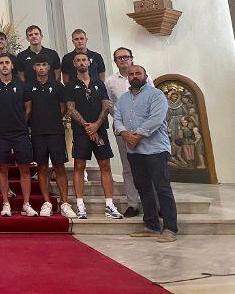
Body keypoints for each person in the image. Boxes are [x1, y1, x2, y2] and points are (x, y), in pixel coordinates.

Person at [114, 65, 177, 242]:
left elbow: (156, 118)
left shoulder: (156, 95)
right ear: (127, 78)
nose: (134, 76)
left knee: (162, 188)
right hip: (134, 151)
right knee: (144, 189)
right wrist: (125, 134)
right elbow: (117, 119)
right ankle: (151, 226)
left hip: (155, 149)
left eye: (138, 73)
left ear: (145, 76)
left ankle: (170, 229)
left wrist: (139, 134)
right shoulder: (123, 99)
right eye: (131, 74)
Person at [65, 53, 122, 219]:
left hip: (100, 130)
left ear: (89, 63)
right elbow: (70, 108)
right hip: (81, 132)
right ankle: (80, 205)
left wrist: (96, 125)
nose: (82, 63)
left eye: (84, 60)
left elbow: (106, 106)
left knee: (105, 165)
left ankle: (110, 204)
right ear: (74, 64)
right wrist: (87, 127)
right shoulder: (70, 85)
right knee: (79, 166)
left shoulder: (99, 83)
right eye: (78, 61)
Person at [24, 55, 77, 218]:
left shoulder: (58, 86)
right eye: (38, 65)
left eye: (44, 65)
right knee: (41, 167)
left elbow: (63, 108)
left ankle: (65, 203)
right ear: (34, 67)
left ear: (48, 67)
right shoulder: (29, 87)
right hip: (38, 132)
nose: (41, 68)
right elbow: (28, 109)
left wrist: (52, 121)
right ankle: (47, 202)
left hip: (56, 132)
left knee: (59, 166)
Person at [105, 46, 153, 218]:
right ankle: (133, 203)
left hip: (145, 130)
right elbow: (110, 105)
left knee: (149, 165)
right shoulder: (111, 81)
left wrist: (141, 130)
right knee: (128, 167)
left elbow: (152, 100)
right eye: (119, 58)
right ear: (115, 61)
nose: (123, 59)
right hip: (123, 129)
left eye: (126, 57)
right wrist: (122, 126)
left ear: (132, 58)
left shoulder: (144, 77)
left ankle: (154, 203)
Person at [0, 55, 37, 217]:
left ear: (12, 66)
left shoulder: (22, 85)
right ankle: (6, 203)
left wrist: (21, 123)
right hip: (1, 134)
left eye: (7, 63)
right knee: (2, 168)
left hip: (20, 132)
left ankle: (26, 204)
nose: (4, 66)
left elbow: (28, 108)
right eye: (1, 63)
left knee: (24, 168)